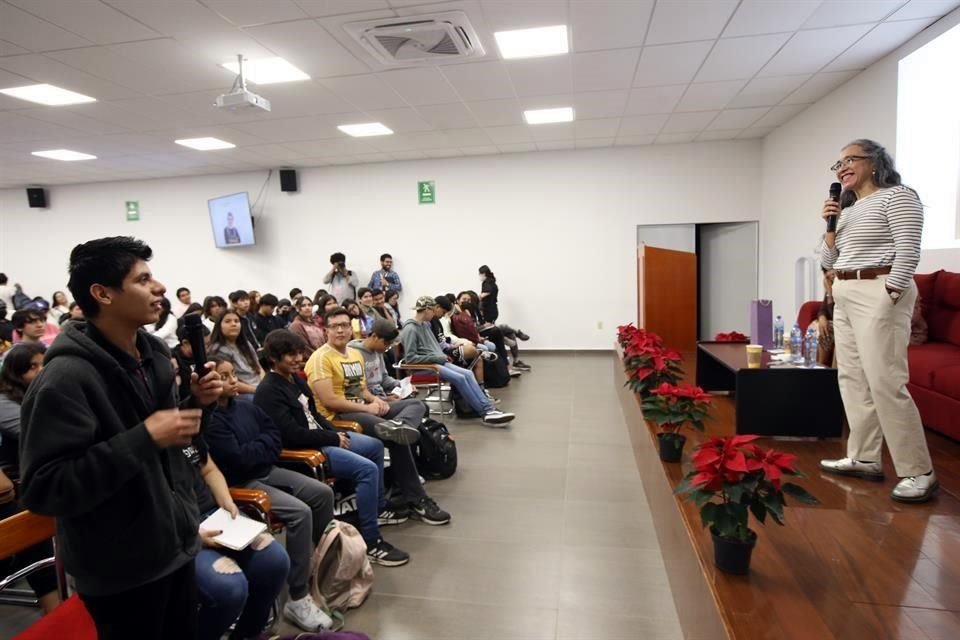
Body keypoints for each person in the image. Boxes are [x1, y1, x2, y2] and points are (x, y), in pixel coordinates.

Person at [18, 236, 223, 640]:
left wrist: (197, 404)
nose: (160, 287)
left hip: (174, 545)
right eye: (143, 280)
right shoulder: (65, 379)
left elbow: (169, 443)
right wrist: (144, 437)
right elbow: (46, 489)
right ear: (103, 294)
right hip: (121, 569)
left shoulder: (153, 355)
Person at [818, 139, 937, 503]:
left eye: (850, 160)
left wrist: (891, 294)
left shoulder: (898, 196)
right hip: (845, 290)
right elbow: (828, 260)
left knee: (886, 381)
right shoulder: (847, 210)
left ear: (874, 162)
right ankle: (864, 457)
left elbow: (908, 250)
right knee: (852, 379)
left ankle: (919, 471)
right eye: (838, 164)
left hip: (879, 290)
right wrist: (829, 226)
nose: (842, 168)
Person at [255, 330, 410, 566]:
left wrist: (336, 432)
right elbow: (291, 435)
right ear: (274, 358)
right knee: (367, 469)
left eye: (299, 353)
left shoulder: (295, 379)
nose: (298, 359)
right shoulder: (268, 390)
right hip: (306, 451)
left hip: (322, 437)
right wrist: (332, 438)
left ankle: (377, 509)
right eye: (291, 355)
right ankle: (371, 540)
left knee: (375, 446)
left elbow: (315, 414)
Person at [205, 355, 335, 631]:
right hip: (242, 483)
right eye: (224, 377)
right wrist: (262, 445)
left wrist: (259, 446)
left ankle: (310, 563)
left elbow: (274, 436)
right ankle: (298, 596)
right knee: (300, 512)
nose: (233, 381)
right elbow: (236, 459)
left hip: (268, 469)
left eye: (233, 374)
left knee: (322, 493)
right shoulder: (210, 420)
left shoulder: (246, 405)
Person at [306, 306, 451, 526]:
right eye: (334, 326)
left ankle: (398, 425)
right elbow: (329, 401)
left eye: (344, 325)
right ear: (326, 330)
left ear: (351, 328)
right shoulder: (320, 358)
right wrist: (368, 408)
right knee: (397, 438)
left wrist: (376, 401)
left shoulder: (354, 354)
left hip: (363, 408)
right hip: (339, 417)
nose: (340, 330)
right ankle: (417, 498)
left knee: (416, 405)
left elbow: (361, 389)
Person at [0, 341, 61, 615]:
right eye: (32, 367)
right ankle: (55, 609)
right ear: (15, 372)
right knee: (32, 520)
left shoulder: (39, 392)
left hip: (27, 480)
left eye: (43, 363)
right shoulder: (3, 401)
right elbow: (37, 433)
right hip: (16, 483)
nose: (41, 370)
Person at [400, 297, 515, 426]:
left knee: (468, 374)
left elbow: (433, 347)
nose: (434, 314)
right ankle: (485, 412)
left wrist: (442, 356)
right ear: (427, 310)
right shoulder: (410, 329)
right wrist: (438, 358)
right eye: (433, 310)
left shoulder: (425, 325)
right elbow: (410, 358)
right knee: (460, 378)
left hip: (436, 362)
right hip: (427, 366)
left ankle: (489, 409)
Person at [209, 311, 264, 395]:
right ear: (219, 326)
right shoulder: (218, 350)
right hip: (241, 392)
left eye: (236, 321)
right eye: (228, 321)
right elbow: (228, 382)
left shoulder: (245, 343)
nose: (233, 324)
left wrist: (264, 386)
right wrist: (258, 391)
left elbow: (259, 367)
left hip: (259, 387)